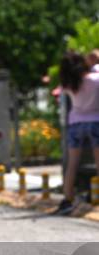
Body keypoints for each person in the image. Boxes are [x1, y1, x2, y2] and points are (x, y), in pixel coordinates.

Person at [55, 51, 99, 215]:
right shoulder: (94, 80)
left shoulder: (68, 84)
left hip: (75, 123)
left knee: (72, 164)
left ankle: (68, 198)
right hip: (96, 120)